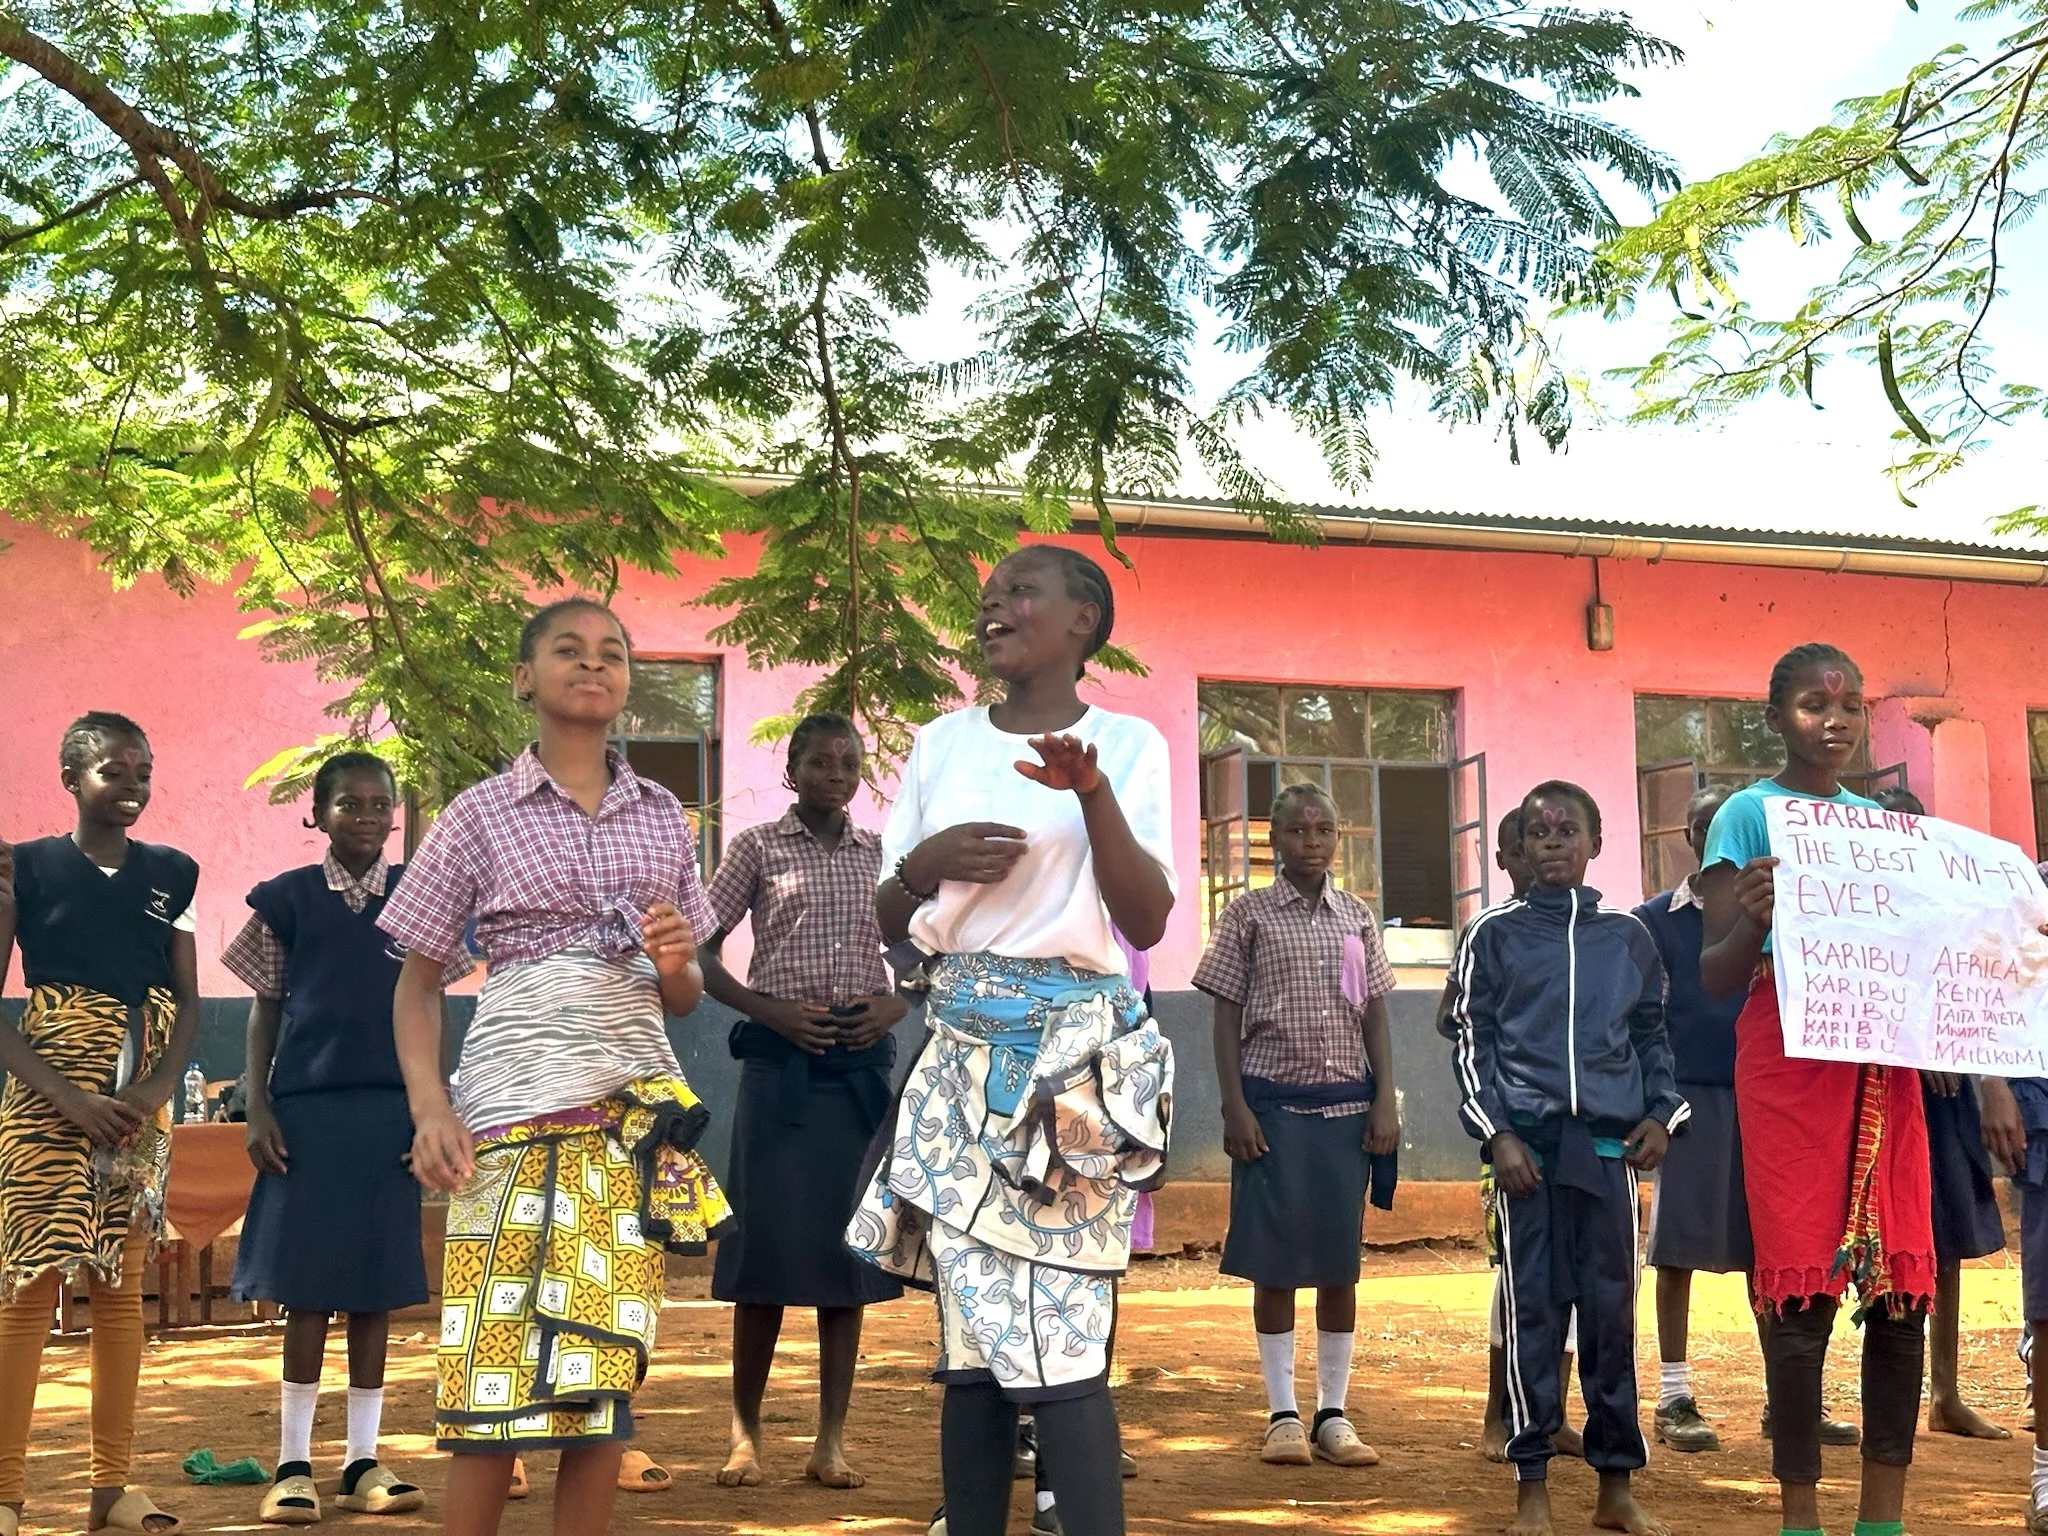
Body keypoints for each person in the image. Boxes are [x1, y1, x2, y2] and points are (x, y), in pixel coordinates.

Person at [379, 598, 734, 1536]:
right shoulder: (476, 816)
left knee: (600, 1377)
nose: (594, 664)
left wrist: (673, 962)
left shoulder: (664, 817)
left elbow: (687, 993)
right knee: (491, 1371)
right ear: (524, 678)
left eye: (612, 652)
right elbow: (416, 986)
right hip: (504, 1120)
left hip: (628, 1125)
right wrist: (430, 1108)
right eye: (568, 651)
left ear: (627, 682)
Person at [851, 543, 1174, 1536]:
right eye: (986, 595)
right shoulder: (942, 742)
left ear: (1083, 621)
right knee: (972, 1345)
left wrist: (1090, 794)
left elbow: (1147, 919)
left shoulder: (1129, 744)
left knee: (1065, 1341)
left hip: (1070, 1068)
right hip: (956, 1059)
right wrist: (921, 865)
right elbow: (884, 916)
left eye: (1019, 591)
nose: (993, 605)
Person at [1699, 643, 1934, 1536]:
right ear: (1774, 718)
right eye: (1810, 704)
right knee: (1800, 1295)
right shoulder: (1746, 817)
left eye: (1850, 705)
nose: (1833, 721)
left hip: (1882, 1066)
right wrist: (1753, 919)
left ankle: (1883, 1520)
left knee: (1900, 1287)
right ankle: (1802, 1519)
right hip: (1788, 1064)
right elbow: (1717, 975)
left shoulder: (1879, 826)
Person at [1450, 781, 1683, 1536]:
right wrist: (1499, 1135)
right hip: (1528, 1160)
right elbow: (1470, 1040)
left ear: (1596, 843)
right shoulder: (1493, 932)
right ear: (1522, 845)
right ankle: (1533, 1489)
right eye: (1540, 831)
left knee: (1611, 1316)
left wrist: (1661, 1115)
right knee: (1534, 1317)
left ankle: (1616, 1487)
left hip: (1609, 1157)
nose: (1553, 842)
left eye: (1568, 830)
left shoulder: (1627, 936)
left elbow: (1651, 1034)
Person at [222, 752, 447, 1525]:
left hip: (390, 1116)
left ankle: (362, 1462)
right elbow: (265, 1009)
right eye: (347, 804)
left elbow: (430, 1006)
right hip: (308, 1118)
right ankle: (292, 1465)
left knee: (376, 1291)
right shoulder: (286, 900)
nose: (366, 816)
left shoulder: (419, 895)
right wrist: (258, 1108)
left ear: (395, 814)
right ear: (316, 814)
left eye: (379, 804)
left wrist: (429, 1110)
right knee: (310, 1291)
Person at [0, 712, 202, 1536]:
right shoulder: (26, 868)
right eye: (114, 772)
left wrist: (153, 1091)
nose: (132, 788)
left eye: (144, 773)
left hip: (138, 1104)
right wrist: (70, 1098)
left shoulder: (175, 874)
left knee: (121, 1289)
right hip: (46, 1097)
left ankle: (110, 1489)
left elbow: (188, 1001)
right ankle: (6, 1494)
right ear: (72, 779)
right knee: (28, 1288)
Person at [700, 713, 906, 1492]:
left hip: (857, 1073)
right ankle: (744, 1435)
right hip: (777, 1069)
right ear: (792, 769)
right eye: (818, 760)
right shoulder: (756, 849)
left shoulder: (881, 857)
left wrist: (899, 1002)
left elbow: (927, 948)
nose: (834, 771)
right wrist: (765, 1008)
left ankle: (830, 1441)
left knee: (843, 1259)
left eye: (847, 762)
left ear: (859, 777)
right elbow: (697, 945)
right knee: (761, 1256)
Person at [1198, 782, 1399, 1470]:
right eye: (1296, 831)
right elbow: (1224, 1014)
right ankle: (1283, 1412)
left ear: (1338, 839)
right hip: (1272, 1114)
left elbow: (1370, 1008)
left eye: (1323, 831)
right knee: (1276, 1262)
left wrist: (1386, 1100)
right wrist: (1234, 1105)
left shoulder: (1355, 917)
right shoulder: (1248, 915)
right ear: (1273, 840)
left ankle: (1333, 1413)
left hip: (1346, 1113)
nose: (1310, 842)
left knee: (1340, 1263)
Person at [1435, 808, 1582, 1464]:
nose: (1534, 860)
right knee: (1516, 1278)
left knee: (1578, 1276)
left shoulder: (1586, 932)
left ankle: (1554, 1413)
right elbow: (1452, 1017)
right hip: (1510, 1132)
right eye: (1519, 849)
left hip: (1577, 1130)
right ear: (1504, 859)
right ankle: (1500, 1411)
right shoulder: (1489, 935)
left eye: (1548, 843)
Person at [1868, 784, 2012, 1442]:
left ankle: (1945, 1391)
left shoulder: (1948, 908)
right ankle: (1879, 1393)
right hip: (1872, 1095)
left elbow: (1975, 990)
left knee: (1945, 1237)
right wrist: (1908, 1044)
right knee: (1878, 1244)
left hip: (1946, 1095)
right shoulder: (1850, 909)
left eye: (1909, 828)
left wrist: (1956, 1053)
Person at [1636, 784, 1753, 1454]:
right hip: (1688, 1098)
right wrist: (1659, 1102)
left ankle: (1789, 1398)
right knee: (1676, 1246)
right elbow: (1644, 1019)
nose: (1721, 840)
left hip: (1768, 1098)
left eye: (1733, 829)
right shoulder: (1654, 921)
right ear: (1688, 837)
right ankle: (1675, 1394)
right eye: (1708, 828)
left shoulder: (1769, 913)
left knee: (1774, 1250)